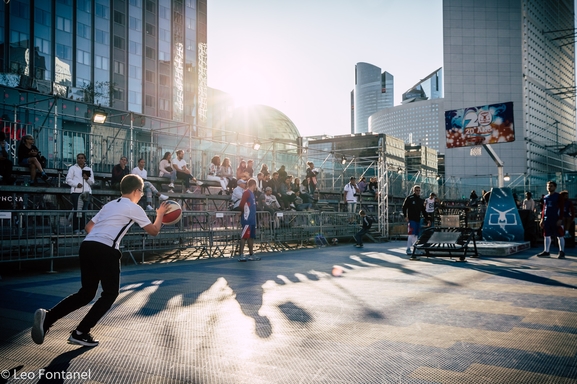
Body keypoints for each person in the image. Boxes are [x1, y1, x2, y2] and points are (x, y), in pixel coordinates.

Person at [31, 174, 169, 347]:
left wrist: (99, 238)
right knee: (110, 293)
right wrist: (161, 214)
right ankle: (81, 332)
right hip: (105, 249)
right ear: (136, 191)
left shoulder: (110, 205)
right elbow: (154, 231)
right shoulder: (134, 207)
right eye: (141, 192)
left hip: (88, 246)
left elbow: (88, 227)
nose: (141, 195)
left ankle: (48, 317)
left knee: (86, 293)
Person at [66, 153, 95, 234]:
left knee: (84, 211)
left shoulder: (89, 169)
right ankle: (75, 229)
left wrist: (87, 179)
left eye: (82, 158)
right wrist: (76, 184)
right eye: (79, 158)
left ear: (85, 159)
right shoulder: (72, 168)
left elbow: (92, 182)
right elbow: (68, 179)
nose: (80, 159)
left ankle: (83, 228)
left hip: (86, 192)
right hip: (76, 192)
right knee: (76, 210)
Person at [537, 181, 565, 259]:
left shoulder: (559, 196)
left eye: (551, 186)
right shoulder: (545, 197)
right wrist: (542, 219)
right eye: (548, 186)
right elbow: (544, 209)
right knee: (546, 235)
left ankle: (561, 251)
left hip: (556, 218)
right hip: (547, 219)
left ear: (555, 187)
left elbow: (562, 208)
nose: (549, 187)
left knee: (560, 235)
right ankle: (546, 251)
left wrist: (560, 219)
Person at [402, 185, 427, 259]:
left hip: (418, 219)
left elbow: (423, 210)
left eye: (419, 190)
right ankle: (408, 249)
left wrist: (427, 219)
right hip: (411, 219)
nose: (418, 192)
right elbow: (404, 207)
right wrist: (405, 216)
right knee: (411, 234)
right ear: (414, 191)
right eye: (417, 190)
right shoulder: (409, 198)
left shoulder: (421, 200)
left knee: (416, 235)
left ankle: (415, 249)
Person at [238, 178, 258, 261]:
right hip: (247, 218)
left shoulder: (252, 194)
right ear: (254, 185)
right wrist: (242, 212)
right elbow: (242, 203)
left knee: (251, 237)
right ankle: (241, 254)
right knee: (244, 236)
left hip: (252, 218)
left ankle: (251, 254)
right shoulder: (246, 193)